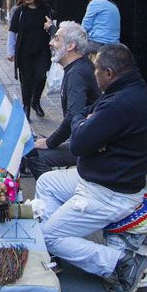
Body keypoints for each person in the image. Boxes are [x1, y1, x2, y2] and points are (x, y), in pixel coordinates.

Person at [36, 43, 147, 292]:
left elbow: (79, 143)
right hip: (95, 176)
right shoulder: (125, 88)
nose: (94, 74)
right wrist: (86, 123)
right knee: (47, 182)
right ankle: (62, 241)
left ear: (110, 72)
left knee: (46, 237)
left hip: (109, 191)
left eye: (97, 69)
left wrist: (84, 125)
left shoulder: (120, 103)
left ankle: (120, 262)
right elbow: (85, 114)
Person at [24, 22, 100, 179]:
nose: (51, 43)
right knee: (36, 140)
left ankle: (51, 193)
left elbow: (73, 115)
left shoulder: (77, 73)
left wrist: (50, 142)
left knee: (33, 154)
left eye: (56, 39)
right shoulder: (77, 67)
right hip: (84, 139)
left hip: (89, 147)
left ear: (71, 46)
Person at [7, 0, 52, 120]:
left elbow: (51, 28)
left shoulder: (46, 9)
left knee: (41, 76)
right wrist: (10, 51)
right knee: (26, 80)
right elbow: (12, 32)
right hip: (24, 51)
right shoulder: (20, 11)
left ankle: (35, 101)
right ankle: (26, 105)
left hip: (42, 50)